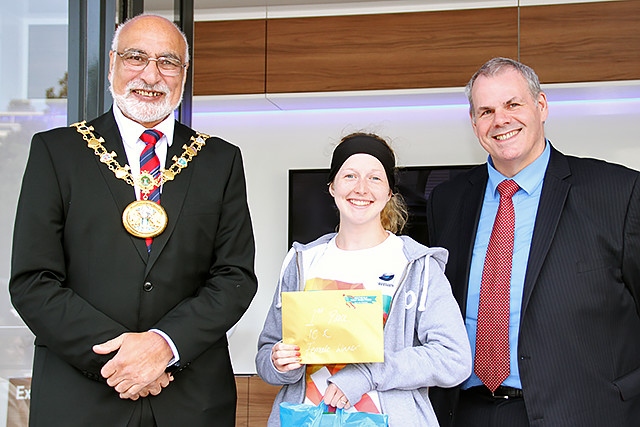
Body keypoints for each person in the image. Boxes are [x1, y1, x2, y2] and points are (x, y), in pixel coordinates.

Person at [9, 14, 257, 427]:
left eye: (167, 62)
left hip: (191, 401)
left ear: (183, 73)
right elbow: (33, 281)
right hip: (81, 399)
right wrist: (125, 359)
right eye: (136, 57)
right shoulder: (57, 152)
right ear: (112, 65)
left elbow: (234, 277)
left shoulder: (220, 160)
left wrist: (164, 346)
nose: (150, 74)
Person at [427, 57, 640, 426]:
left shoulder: (619, 193)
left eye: (513, 104)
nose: (501, 120)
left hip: (582, 412)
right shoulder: (447, 200)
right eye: (486, 111)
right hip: (465, 411)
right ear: (474, 123)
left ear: (541, 107)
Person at [256, 132, 472, 426]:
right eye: (350, 176)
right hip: (305, 418)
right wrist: (278, 362)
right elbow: (267, 353)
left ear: (389, 192)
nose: (361, 188)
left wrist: (367, 373)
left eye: (374, 178)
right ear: (332, 186)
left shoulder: (417, 266)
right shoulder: (302, 262)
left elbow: (453, 359)